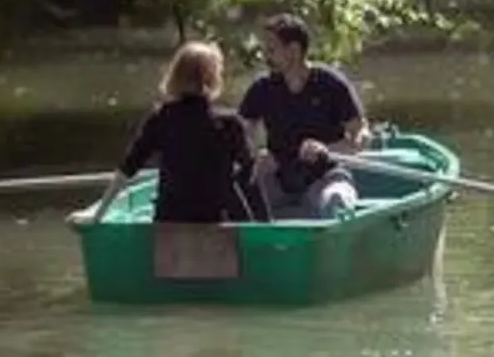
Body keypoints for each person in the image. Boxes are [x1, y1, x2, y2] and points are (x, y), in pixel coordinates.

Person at [67, 40, 266, 227]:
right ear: (212, 78)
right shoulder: (228, 123)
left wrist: (98, 214)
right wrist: (265, 225)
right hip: (215, 221)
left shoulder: (160, 119)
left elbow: (128, 167)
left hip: (169, 222)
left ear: (175, 75)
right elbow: (250, 176)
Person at [238, 13, 371, 219]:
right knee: (237, 205)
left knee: (335, 202)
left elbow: (359, 136)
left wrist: (326, 149)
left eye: (271, 50)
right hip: (278, 179)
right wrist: (255, 155)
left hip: (325, 175)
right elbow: (238, 134)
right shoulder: (262, 88)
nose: (265, 56)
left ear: (294, 50)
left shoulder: (330, 83)